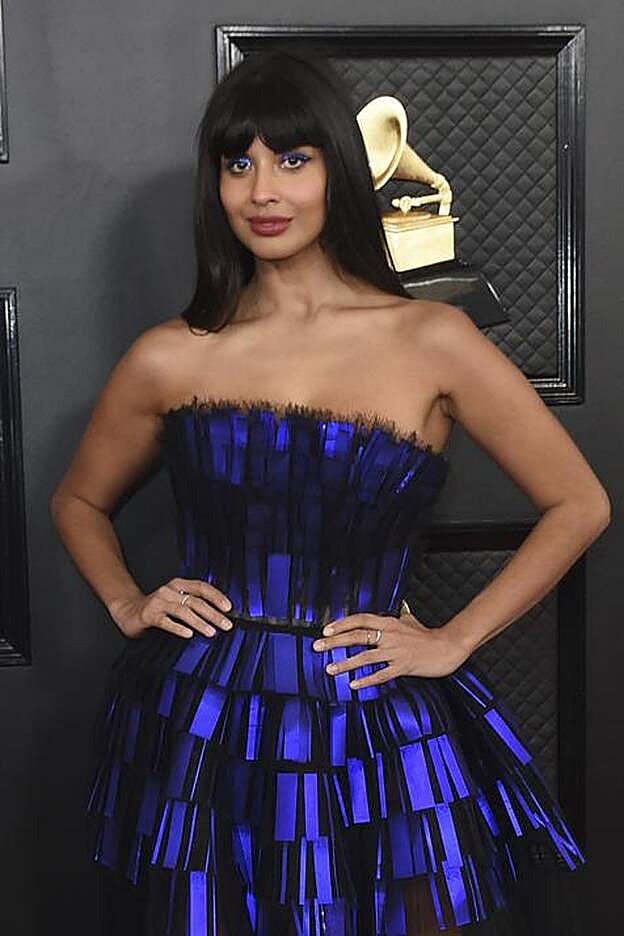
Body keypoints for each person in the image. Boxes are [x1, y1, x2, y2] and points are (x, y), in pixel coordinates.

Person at [50, 47, 610, 936]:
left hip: (372, 715)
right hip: (202, 723)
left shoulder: (433, 337)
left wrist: (453, 639)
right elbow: (77, 502)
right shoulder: (171, 355)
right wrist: (127, 600)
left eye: (292, 161)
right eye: (239, 164)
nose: (262, 191)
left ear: (337, 174)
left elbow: (580, 503)